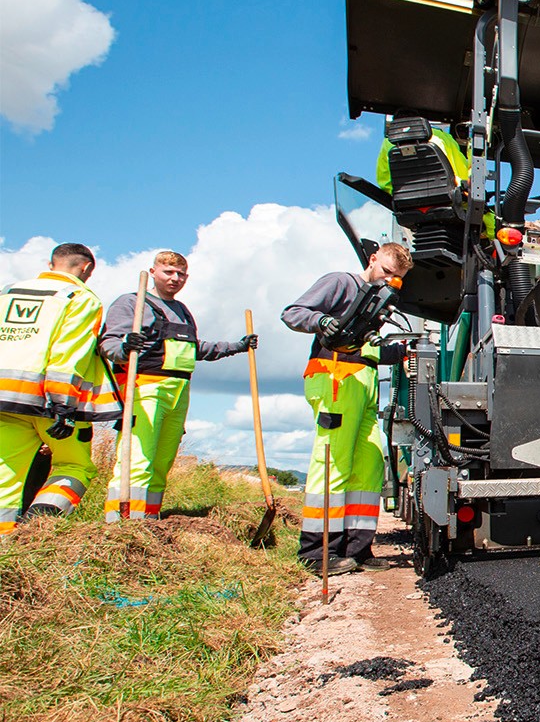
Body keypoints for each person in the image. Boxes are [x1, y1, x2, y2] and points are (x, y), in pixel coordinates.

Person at [282, 242, 414, 574]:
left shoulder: (378, 300)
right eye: (386, 272)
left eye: (396, 278)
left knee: (368, 466)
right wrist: (321, 320)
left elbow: (364, 349)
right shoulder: (341, 283)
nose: (388, 281)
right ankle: (316, 554)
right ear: (372, 260)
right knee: (332, 463)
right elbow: (292, 313)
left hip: (363, 384)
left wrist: (395, 353)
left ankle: (357, 549)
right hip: (334, 378)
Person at [99, 251, 256, 521]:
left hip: (179, 392)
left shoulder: (183, 311)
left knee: (161, 463)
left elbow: (195, 349)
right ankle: (122, 527)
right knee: (138, 460)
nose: (175, 278)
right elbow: (108, 344)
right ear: (153, 272)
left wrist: (236, 347)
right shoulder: (132, 303)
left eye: (181, 274)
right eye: (168, 272)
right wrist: (125, 348)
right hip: (145, 388)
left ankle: (149, 522)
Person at [0, 243, 120, 534]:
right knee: (75, 466)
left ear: (50, 263)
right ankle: (34, 533)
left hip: (4, 398)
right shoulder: (80, 298)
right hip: (45, 398)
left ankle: (4, 543)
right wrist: (64, 406)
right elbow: (69, 354)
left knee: (6, 474)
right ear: (86, 269)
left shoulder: (8, 292)